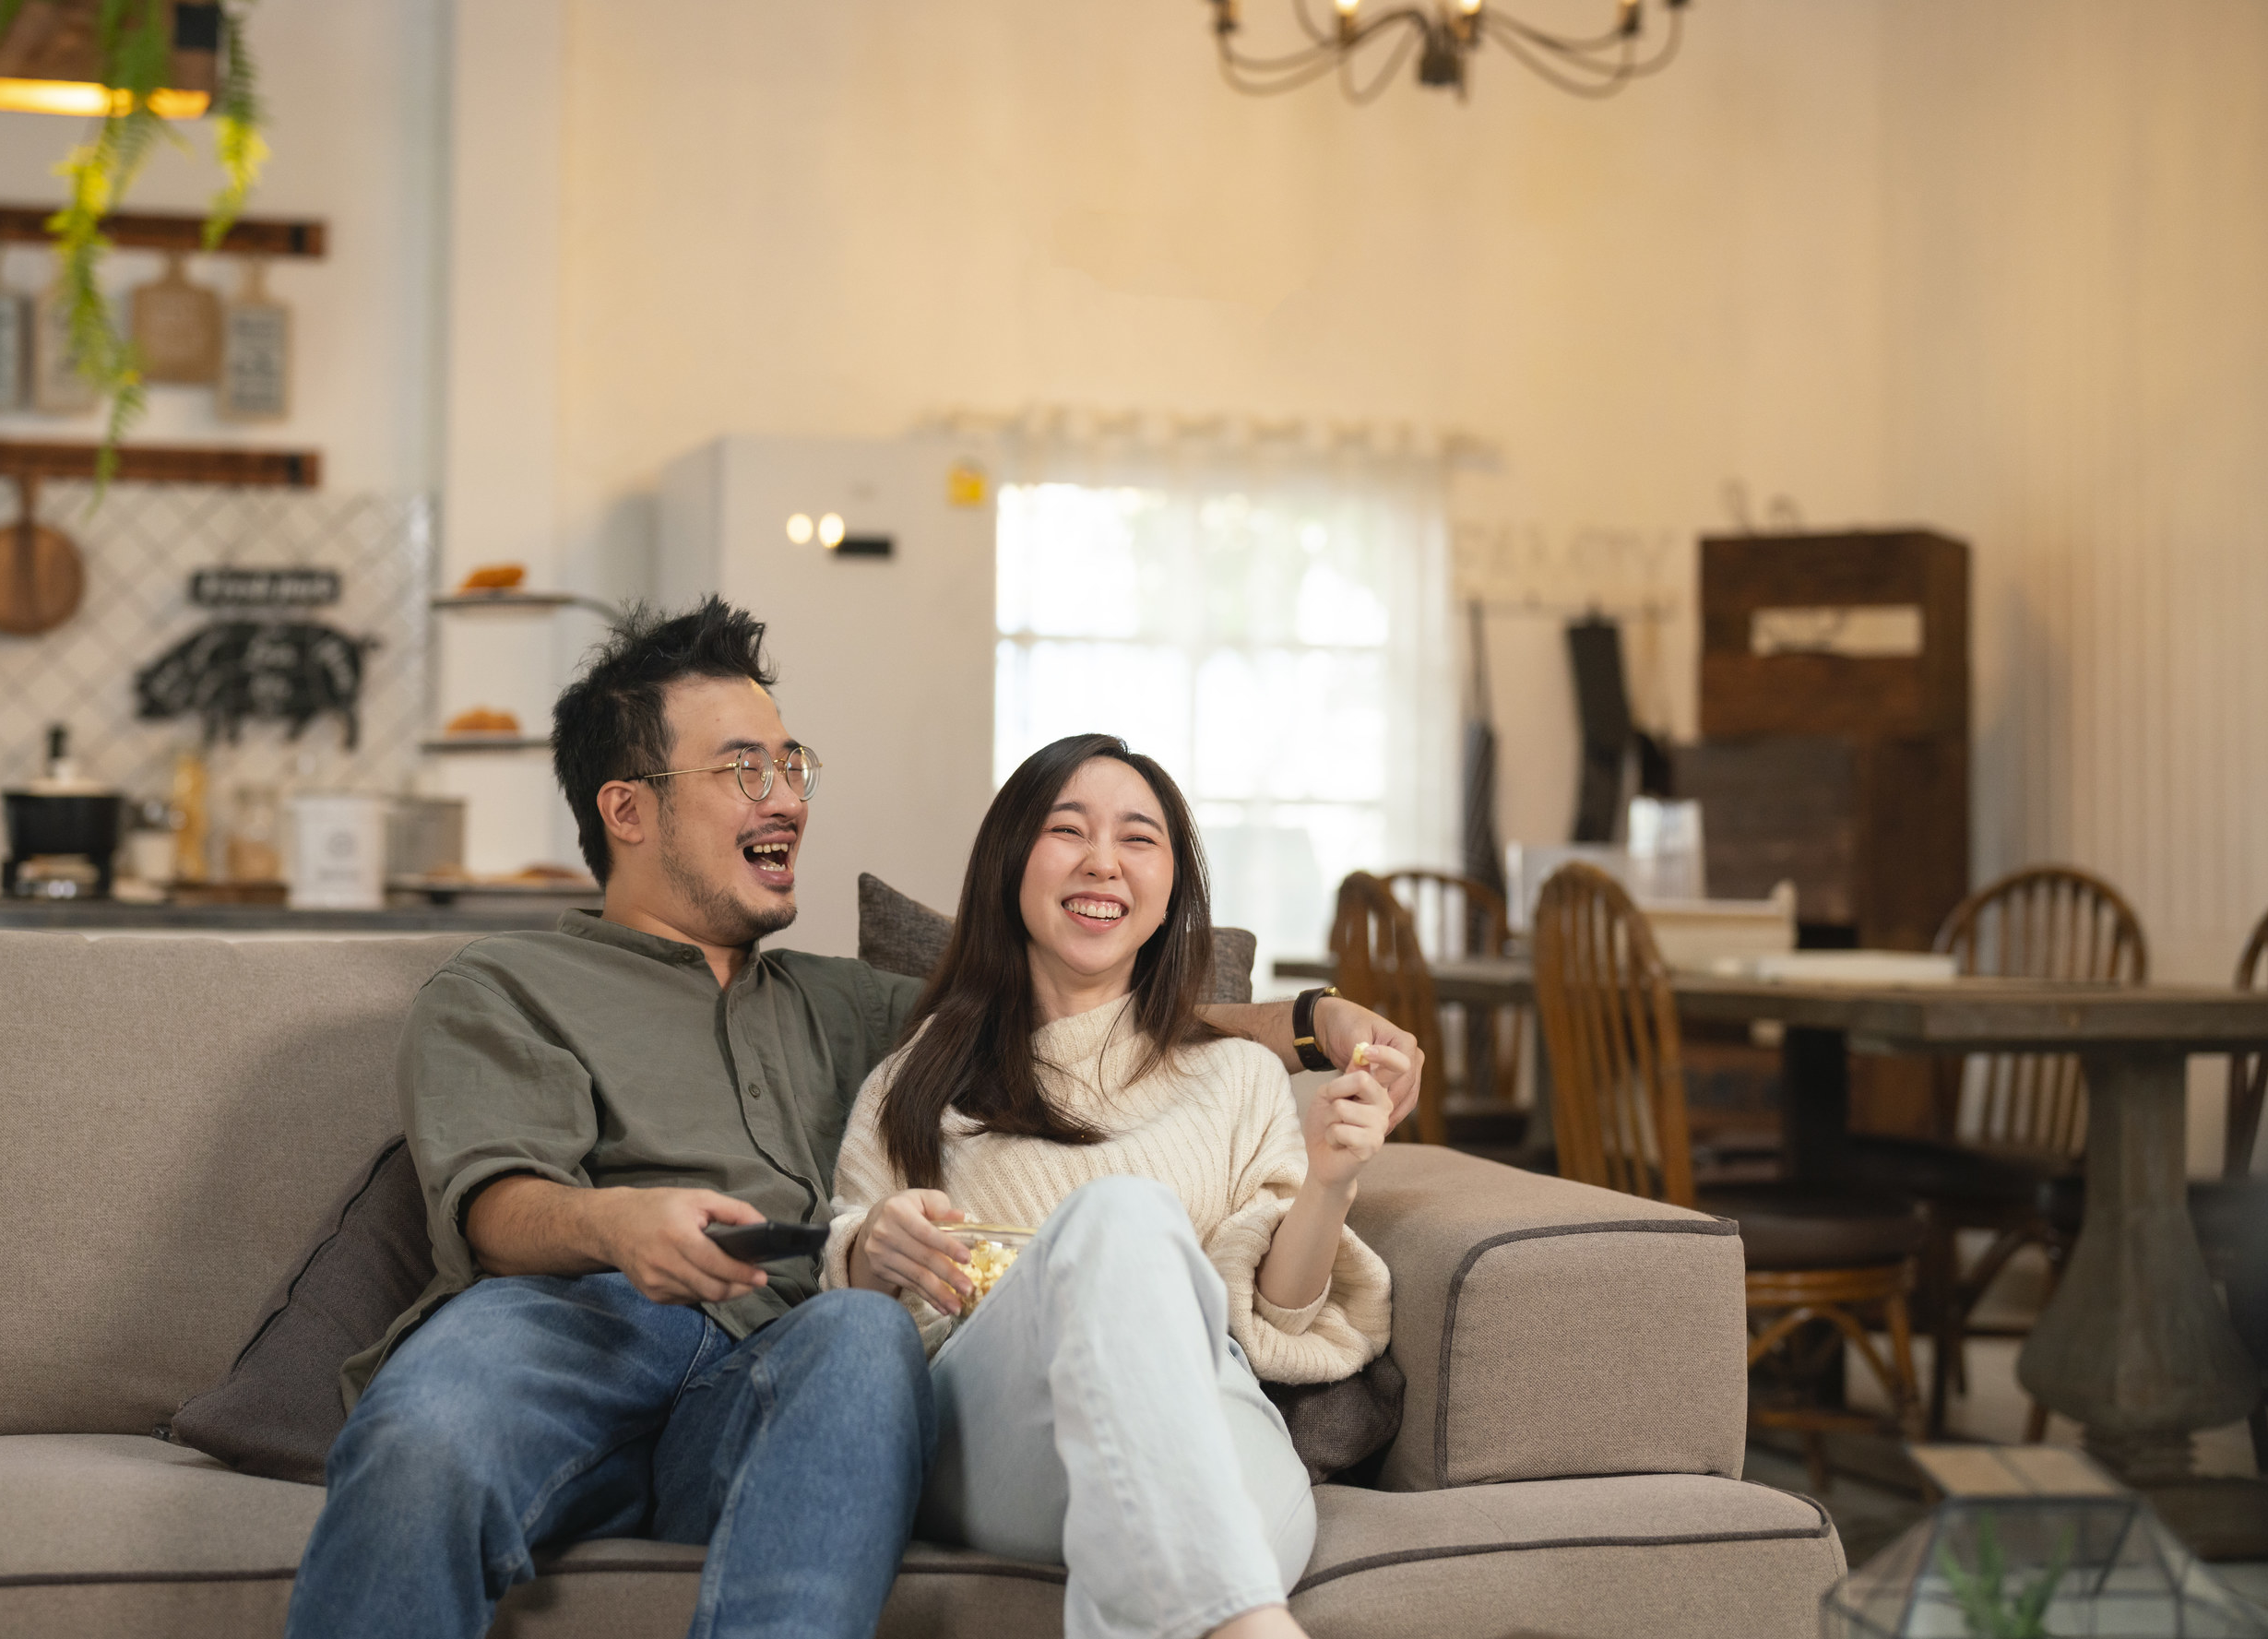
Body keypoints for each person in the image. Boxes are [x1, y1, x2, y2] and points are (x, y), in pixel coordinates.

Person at [286, 601, 1422, 1639]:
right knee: (424, 1439)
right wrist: (620, 1224)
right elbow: (495, 1208)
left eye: (792, 764)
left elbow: (1093, 1000)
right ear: (627, 809)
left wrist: (1313, 1022)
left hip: (787, 1363)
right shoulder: (504, 983)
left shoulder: (857, 1003)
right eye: (743, 769)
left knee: (866, 1335)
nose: (787, 796)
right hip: (575, 1326)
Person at [825, 732, 1404, 1639]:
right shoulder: (917, 1083)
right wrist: (872, 1246)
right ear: (1011, 861)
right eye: (1069, 830)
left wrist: (1331, 1181)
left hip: (1215, 1418)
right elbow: (850, 1324)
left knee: (1205, 1514)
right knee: (1123, 1215)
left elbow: (1282, 1320)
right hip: (1002, 1438)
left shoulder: (1239, 1076)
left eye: (1140, 839)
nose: (1104, 862)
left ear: (1172, 885)